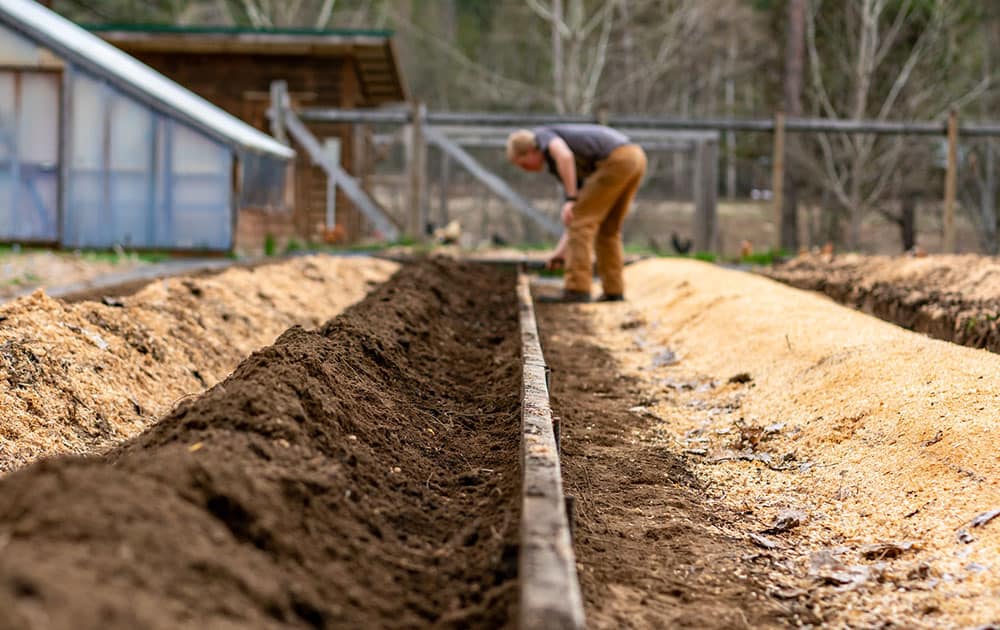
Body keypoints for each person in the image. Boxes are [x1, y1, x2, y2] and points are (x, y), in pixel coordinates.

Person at [507, 124, 647, 303]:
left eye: (523, 164)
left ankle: (577, 288)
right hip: (635, 157)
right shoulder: (568, 167)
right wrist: (561, 251)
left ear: (530, 151)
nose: (525, 169)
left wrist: (570, 198)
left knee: (582, 223)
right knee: (607, 229)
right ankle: (614, 290)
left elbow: (565, 156)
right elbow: (580, 215)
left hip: (617, 159)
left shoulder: (542, 136)